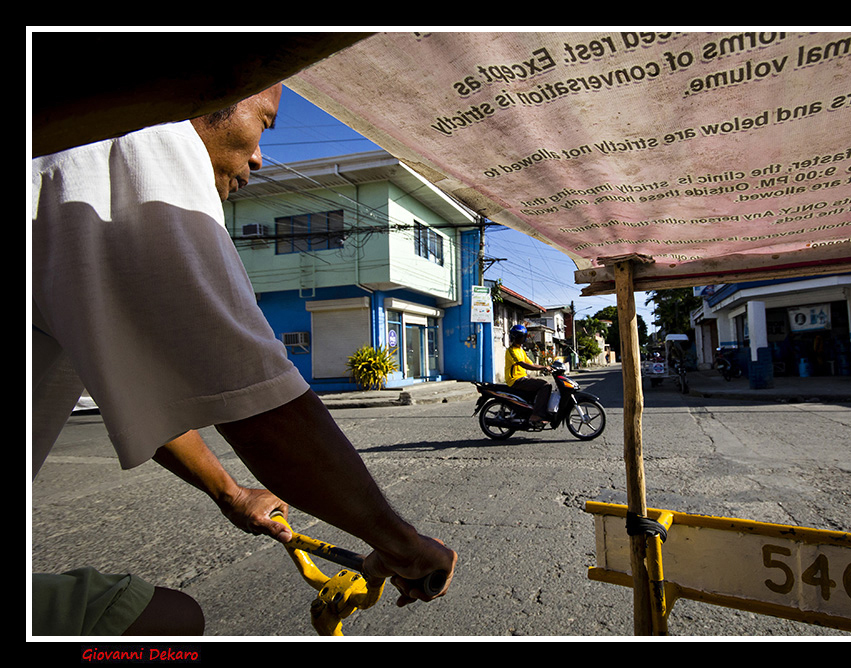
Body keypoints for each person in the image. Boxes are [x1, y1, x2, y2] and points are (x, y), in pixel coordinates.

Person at [31, 84, 456, 635]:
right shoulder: (142, 152)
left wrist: (232, 493)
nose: (258, 156)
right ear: (200, 101)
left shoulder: (72, 154)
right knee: (168, 627)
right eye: (265, 122)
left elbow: (145, 393)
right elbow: (263, 410)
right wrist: (403, 546)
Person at [504, 324, 552, 427]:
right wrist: (542, 368)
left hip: (523, 378)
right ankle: (536, 415)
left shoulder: (521, 350)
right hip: (515, 380)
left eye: (521, 336)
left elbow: (531, 364)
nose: (520, 338)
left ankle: (531, 410)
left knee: (539, 385)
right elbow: (523, 364)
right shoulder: (511, 351)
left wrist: (546, 367)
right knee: (545, 385)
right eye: (518, 336)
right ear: (514, 337)